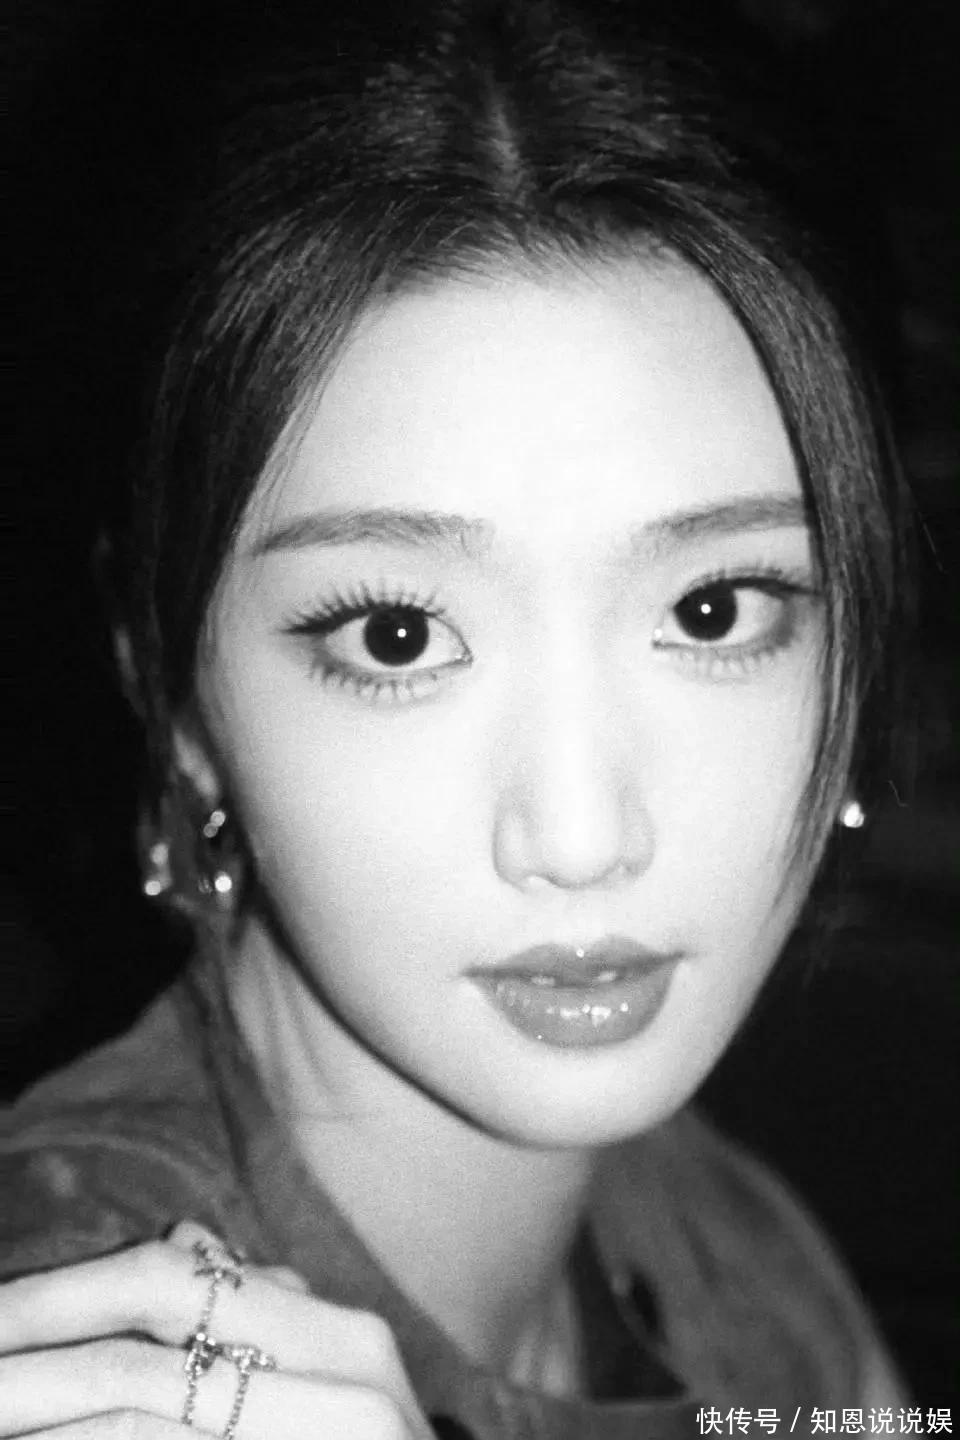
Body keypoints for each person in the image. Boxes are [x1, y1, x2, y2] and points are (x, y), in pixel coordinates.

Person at [1, 0, 913, 1434]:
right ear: (170, 691)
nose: (584, 836)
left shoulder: (726, 1237)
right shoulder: (85, 1324)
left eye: (713, 610)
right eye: (399, 636)